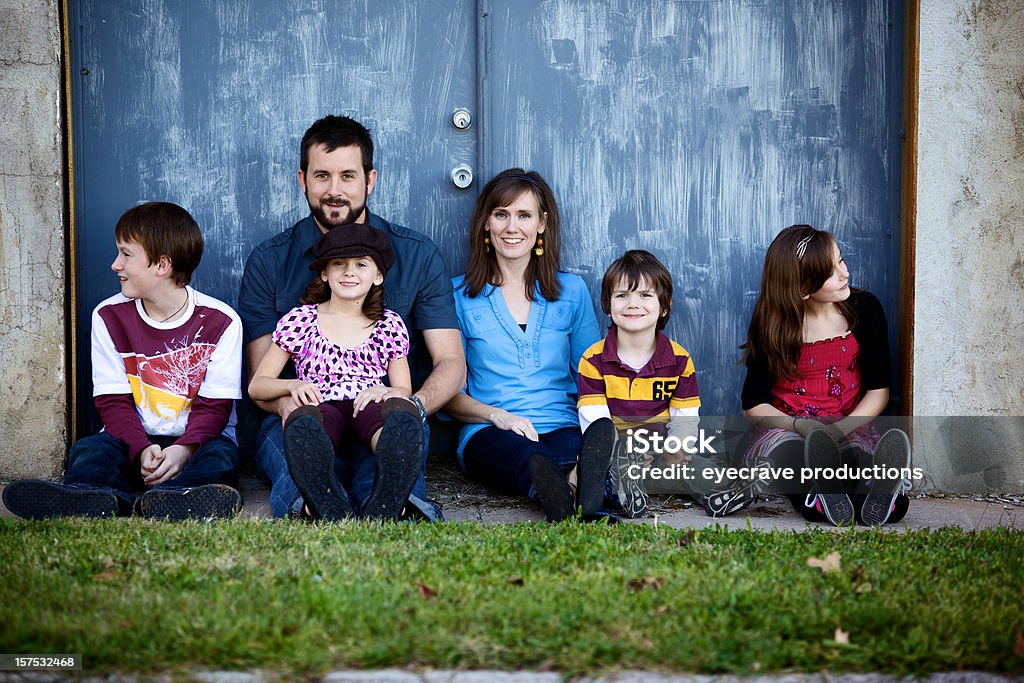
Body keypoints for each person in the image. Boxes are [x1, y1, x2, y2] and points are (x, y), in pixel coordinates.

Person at [238, 115, 464, 520]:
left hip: (379, 409)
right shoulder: (270, 261)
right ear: (301, 179)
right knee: (302, 443)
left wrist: (408, 404)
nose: (334, 190)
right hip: (302, 409)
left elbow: (451, 363)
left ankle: (394, 504)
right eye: (321, 176)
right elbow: (263, 379)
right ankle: (312, 504)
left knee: (396, 439)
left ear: (370, 180)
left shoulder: (416, 254)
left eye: (347, 175)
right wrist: (293, 404)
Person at [3, 202, 243, 520]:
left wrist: (182, 451)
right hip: (130, 437)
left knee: (221, 458)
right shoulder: (109, 316)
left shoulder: (221, 321)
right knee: (90, 451)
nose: (116, 265)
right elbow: (112, 402)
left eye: (126, 254)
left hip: (198, 442)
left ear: (162, 264)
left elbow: (215, 409)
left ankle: (177, 500)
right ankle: (93, 497)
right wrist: (141, 448)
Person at [708, 224, 912, 525]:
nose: (844, 273)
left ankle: (883, 498)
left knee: (855, 459)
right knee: (794, 460)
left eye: (840, 260)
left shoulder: (865, 309)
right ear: (803, 288)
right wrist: (800, 426)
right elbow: (753, 406)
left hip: (850, 425)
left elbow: (878, 391)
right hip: (790, 430)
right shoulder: (774, 327)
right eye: (831, 272)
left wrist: (840, 430)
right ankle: (819, 495)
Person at [445, 168, 615, 522]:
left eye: (524, 215)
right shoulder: (458, 296)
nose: (512, 227)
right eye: (501, 214)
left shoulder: (571, 292)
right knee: (526, 457)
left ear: (541, 224)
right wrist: (498, 416)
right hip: (488, 430)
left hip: (563, 423)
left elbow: (590, 377)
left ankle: (574, 482)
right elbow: (450, 395)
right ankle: (571, 487)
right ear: (485, 224)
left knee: (579, 453)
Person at [247, 225, 422, 520]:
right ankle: (318, 481)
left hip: (367, 402)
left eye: (361, 265)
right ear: (325, 273)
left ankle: (394, 465)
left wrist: (388, 391)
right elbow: (258, 386)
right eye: (339, 264)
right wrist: (292, 385)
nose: (349, 272)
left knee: (393, 420)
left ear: (378, 276)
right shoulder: (301, 319)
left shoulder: (388, 324)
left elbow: (403, 388)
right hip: (321, 402)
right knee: (312, 427)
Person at [576, 250, 726, 518]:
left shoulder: (679, 360)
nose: (633, 303)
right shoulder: (593, 360)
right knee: (598, 472)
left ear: (664, 305)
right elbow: (595, 425)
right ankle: (625, 491)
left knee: (701, 469)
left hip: (660, 457)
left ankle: (727, 493)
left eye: (645, 295)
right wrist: (625, 453)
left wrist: (674, 448)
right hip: (615, 457)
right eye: (622, 295)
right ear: (608, 306)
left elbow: (685, 418)